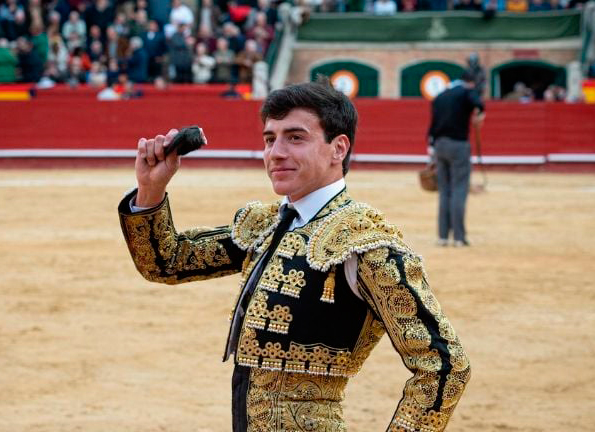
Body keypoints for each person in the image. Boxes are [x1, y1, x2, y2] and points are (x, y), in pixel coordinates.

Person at [118, 77, 471, 431]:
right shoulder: (265, 225)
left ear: (338, 148)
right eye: (270, 139)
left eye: (295, 137)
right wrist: (151, 190)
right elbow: (167, 262)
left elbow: (446, 365)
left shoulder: (365, 244)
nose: (276, 152)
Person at [428, 71, 485, 247]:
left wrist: (431, 148)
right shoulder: (467, 91)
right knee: (459, 190)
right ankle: (459, 238)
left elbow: (432, 125)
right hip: (458, 145)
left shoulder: (440, 96)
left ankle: (443, 237)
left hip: (439, 146)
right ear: (471, 82)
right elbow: (479, 103)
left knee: (444, 191)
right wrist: (479, 114)